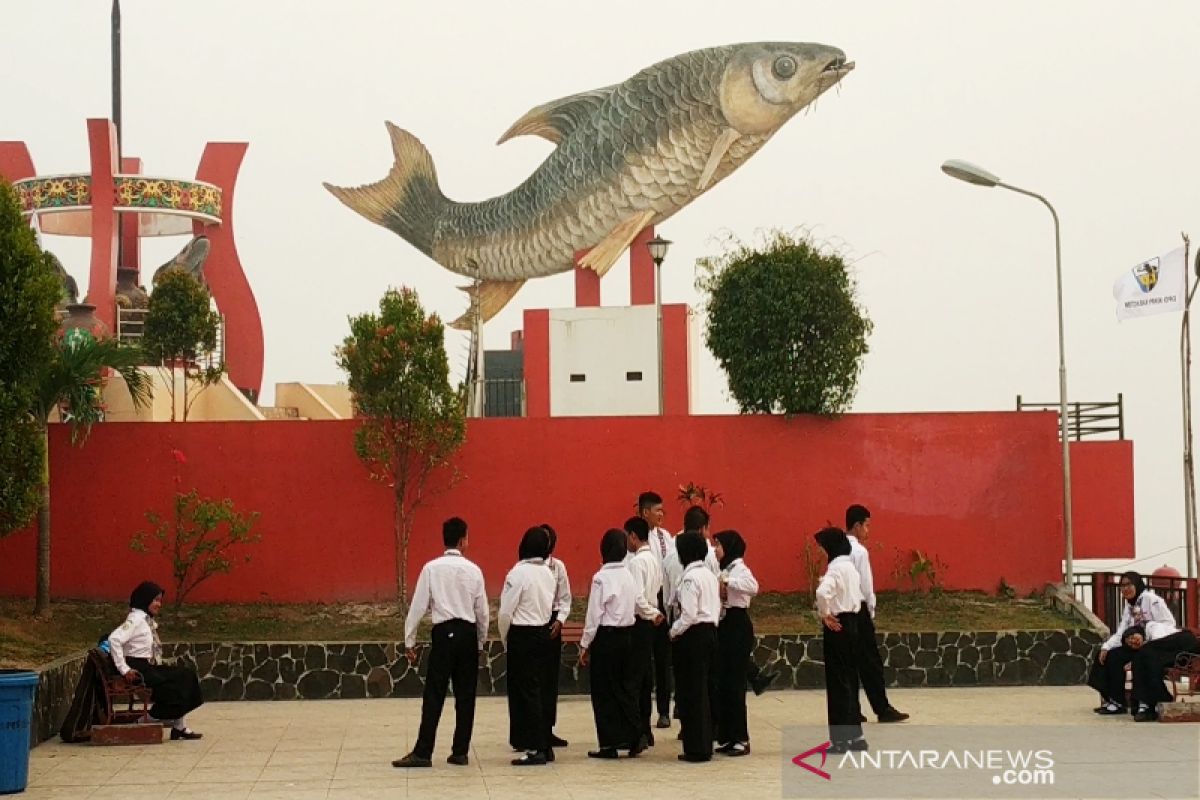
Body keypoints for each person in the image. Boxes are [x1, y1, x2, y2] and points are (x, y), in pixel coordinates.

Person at [393, 517, 489, 768]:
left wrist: (409, 641)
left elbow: (418, 607)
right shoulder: (474, 570)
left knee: (434, 693)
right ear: (462, 540)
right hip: (467, 633)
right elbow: (483, 612)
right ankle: (460, 751)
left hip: (443, 633)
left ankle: (423, 751)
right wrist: (480, 642)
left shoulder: (431, 568)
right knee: (466, 694)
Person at [107, 581, 204, 740]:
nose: (159, 604)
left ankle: (179, 727)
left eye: (160, 600)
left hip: (147, 666)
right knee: (175, 684)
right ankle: (150, 718)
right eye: (155, 600)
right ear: (145, 600)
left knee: (186, 675)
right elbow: (114, 639)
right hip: (138, 667)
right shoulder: (136, 619)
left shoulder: (146, 619)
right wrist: (124, 669)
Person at [579, 528, 644, 759]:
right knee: (625, 688)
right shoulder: (628, 575)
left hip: (606, 638)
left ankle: (609, 744)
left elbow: (594, 614)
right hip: (628, 635)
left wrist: (585, 644)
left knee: (604, 692)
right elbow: (637, 603)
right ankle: (635, 735)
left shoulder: (601, 578)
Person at [845, 505, 909, 723]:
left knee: (850, 661)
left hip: (844, 609)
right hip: (859, 608)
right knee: (871, 661)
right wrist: (871, 608)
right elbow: (865, 584)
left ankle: (852, 708)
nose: (868, 531)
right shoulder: (860, 552)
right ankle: (882, 707)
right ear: (857, 525)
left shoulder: (839, 548)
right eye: (867, 525)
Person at [499, 526, 557, 765]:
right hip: (543, 633)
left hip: (522, 635)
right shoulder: (548, 573)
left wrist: (506, 638)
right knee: (540, 690)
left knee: (526, 693)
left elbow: (505, 612)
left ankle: (536, 747)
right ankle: (544, 742)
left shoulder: (518, 574)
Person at [1088, 570, 1178, 715]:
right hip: (1134, 645)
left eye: (1129, 584)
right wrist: (1106, 647)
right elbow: (1121, 632)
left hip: (1152, 646)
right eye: (1122, 586)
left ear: (1137, 584)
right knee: (1109, 656)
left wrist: (1148, 634)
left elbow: (1168, 624)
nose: (1125, 589)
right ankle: (1116, 701)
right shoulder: (1129, 607)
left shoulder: (1152, 600)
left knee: (1138, 659)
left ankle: (1144, 703)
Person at [814, 527, 868, 754]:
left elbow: (821, 593)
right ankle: (855, 736)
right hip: (854, 622)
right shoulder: (851, 568)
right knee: (850, 680)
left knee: (837, 683)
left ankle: (840, 739)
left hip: (837, 625)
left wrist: (825, 614)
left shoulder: (835, 569)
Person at [669, 530, 721, 763]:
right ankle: (705, 742)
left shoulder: (690, 579)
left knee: (692, 692)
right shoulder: (709, 575)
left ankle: (696, 747)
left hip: (693, 636)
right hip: (710, 631)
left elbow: (688, 614)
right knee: (705, 690)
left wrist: (673, 631)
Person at [713, 530, 757, 757]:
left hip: (738, 624)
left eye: (718, 545)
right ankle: (728, 735)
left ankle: (741, 738)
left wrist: (728, 581)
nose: (715, 549)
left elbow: (753, 586)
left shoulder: (739, 569)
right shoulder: (724, 568)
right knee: (726, 684)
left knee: (736, 684)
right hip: (725, 624)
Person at [624, 515, 665, 748]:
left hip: (641, 622)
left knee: (636, 679)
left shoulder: (637, 563)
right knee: (646, 678)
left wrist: (651, 612)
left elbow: (637, 596)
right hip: (650, 623)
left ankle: (638, 730)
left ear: (633, 536)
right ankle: (646, 730)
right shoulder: (653, 560)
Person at [638, 491, 675, 729]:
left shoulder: (665, 537)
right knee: (643, 661)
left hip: (663, 598)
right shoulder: (636, 537)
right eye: (657, 510)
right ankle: (642, 713)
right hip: (643, 601)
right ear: (645, 512)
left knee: (663, 660)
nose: (661, 514)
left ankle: (664, 711)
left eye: (663, 510)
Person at [1122, 622, 1200, 721]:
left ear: (1138, 631)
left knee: (1145, 654)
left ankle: (1150, 702)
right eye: (1131, 644)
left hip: (1185, 642)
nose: (1134, 641)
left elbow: (1159, 640)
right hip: (1176, 655)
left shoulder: (1151, 627)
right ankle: (1149, 704)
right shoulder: (1147, 652)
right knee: (1146, 660)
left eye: (1132, 637)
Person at [540, 523, 572, 748]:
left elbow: (566, 598)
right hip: (533, 621)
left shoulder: (557, 567)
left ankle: (547, 728)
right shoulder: (524, 566)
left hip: (552, 622)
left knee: (550, 679)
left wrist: (560, 620)